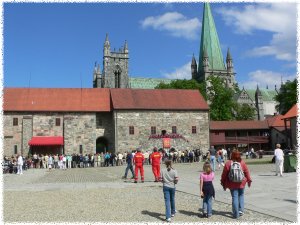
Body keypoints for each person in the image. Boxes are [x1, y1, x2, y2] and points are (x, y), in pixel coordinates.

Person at [221, 149, 252, 219]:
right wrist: (249, 181)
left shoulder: (228, 163)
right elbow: (247, 172)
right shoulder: (242, 163)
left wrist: (222, 181)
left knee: (234, 197)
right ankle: (240, 210)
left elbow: (224, 174)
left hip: (232, 183)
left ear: (232, 155)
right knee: (241, 195)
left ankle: (236, 214)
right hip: (241, 182)